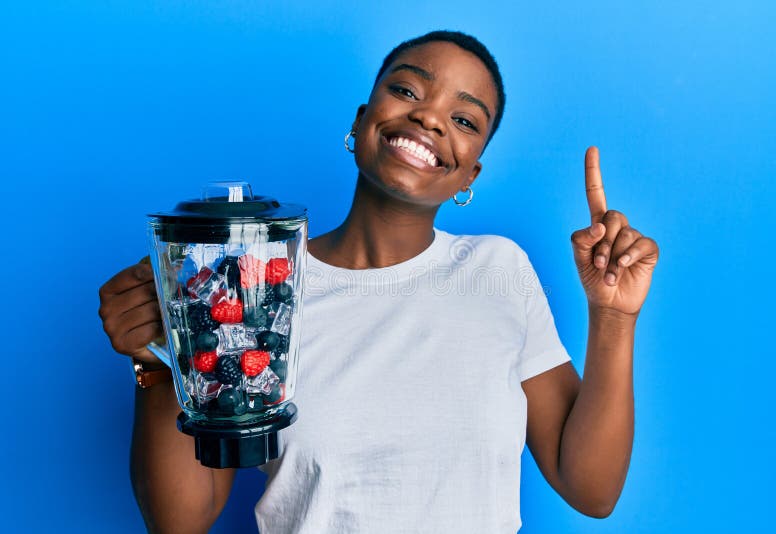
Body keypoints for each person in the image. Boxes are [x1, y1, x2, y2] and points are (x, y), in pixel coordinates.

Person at [98, 30, 659, 533]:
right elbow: (180, 521)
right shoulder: (260, 289)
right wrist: (156, 362)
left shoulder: (498, 271)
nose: (430, 118)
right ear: (363, 120)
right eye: (409, 91)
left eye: (465, 120)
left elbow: (591, 489)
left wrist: (614, 318)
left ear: (469, 173)